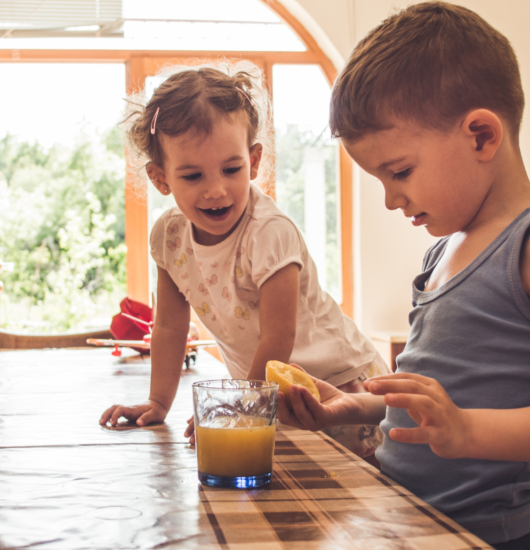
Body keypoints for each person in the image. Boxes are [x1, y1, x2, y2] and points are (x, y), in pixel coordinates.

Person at [276, 1, 530, 549]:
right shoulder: (442, 251)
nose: (392, 198)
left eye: (399, 172)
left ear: (482, 136)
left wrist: (468, 432)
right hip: (407, 519)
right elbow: (439, 401)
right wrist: (355, 407)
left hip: (490, 536)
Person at [99, 62, 389, 457]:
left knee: (361, 502)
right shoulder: (169, 237)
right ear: (160, 178)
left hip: (341, 388)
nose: (216, 190)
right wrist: (158, 403)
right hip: (272, 397)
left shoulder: (268, 231)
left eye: (231, 169)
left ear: (253, 161)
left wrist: (237, 406)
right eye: (192, 176)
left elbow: (277, 337)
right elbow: (168, 327)